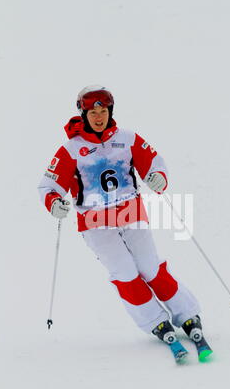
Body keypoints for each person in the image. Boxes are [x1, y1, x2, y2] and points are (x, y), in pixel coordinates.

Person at [38, 85, 211, 362]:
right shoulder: (72, 149)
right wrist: (54, 203)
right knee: (125, 273)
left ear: (110, 112)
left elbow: (155, 162)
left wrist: (157, 177)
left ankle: (187, 314)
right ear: (82, 114)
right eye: (92, 112)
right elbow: (48, 185)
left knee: (151, 268)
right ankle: (154, 320)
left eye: (103, 111)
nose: (98, 116)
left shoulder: (127, 138)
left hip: (131, 214)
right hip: (96, 223)